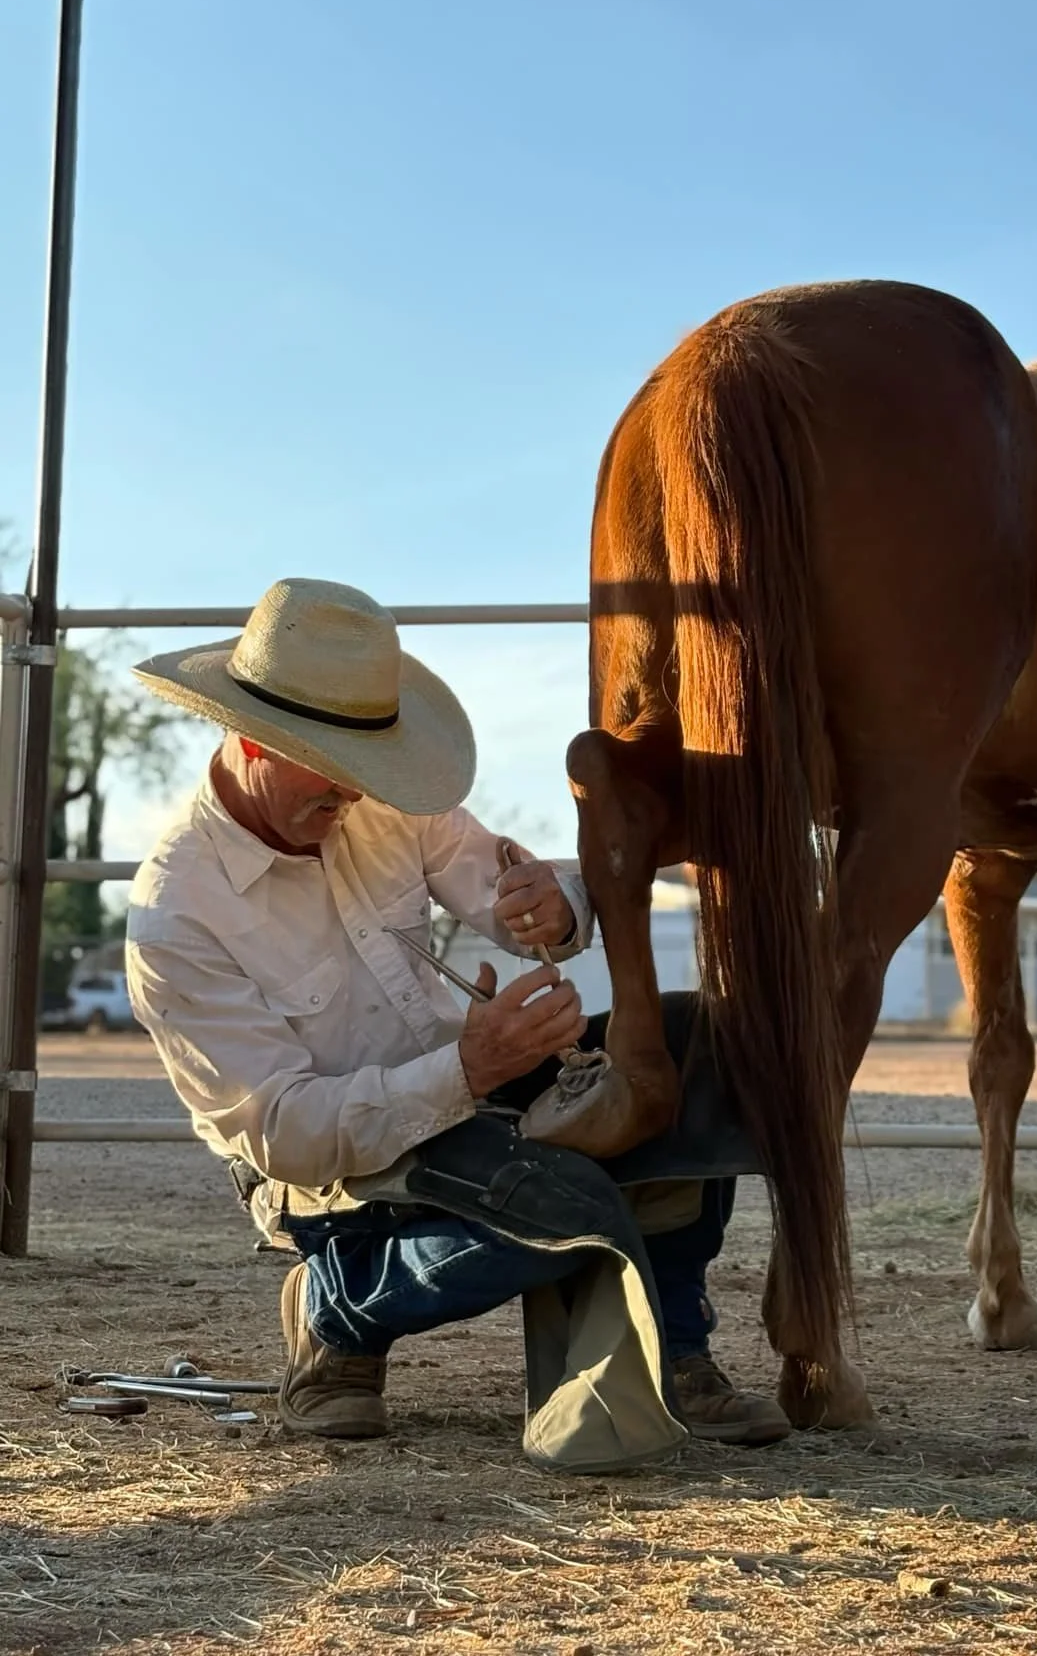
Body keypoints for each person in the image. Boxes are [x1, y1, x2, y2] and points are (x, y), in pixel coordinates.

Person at [124, 576, 789, 1447]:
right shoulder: (176, 915)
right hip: (322, 1161)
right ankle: (337, 1310)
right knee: (567, 1199)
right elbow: (283, 1129)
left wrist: (551, 908)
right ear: (251, 741)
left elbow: (513, 895)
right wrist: (471, 1067)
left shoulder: (378, 798)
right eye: (332, 775)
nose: (357, 796)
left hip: (470, 1085)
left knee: (700, 1046)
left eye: (365, 771)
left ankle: (677, 1348)